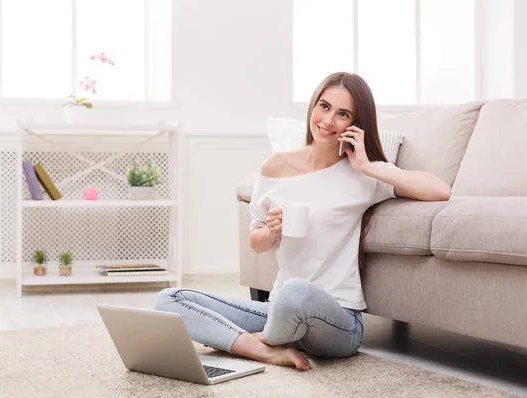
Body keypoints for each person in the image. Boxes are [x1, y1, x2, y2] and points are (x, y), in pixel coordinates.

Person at [154, 72, 451, 371]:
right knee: (170, 300)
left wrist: (367, 165)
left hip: (338, 321)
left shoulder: (362, 175)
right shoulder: (276, 166)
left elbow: (439, 190)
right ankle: (262, 349)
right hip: (280, 311)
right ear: (312, 107)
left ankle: (262, 340)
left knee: (297, 292)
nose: (328, 120)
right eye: (324, 106)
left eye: (343, 114)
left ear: (354, 124)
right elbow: (256, 240)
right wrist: (271, 232)